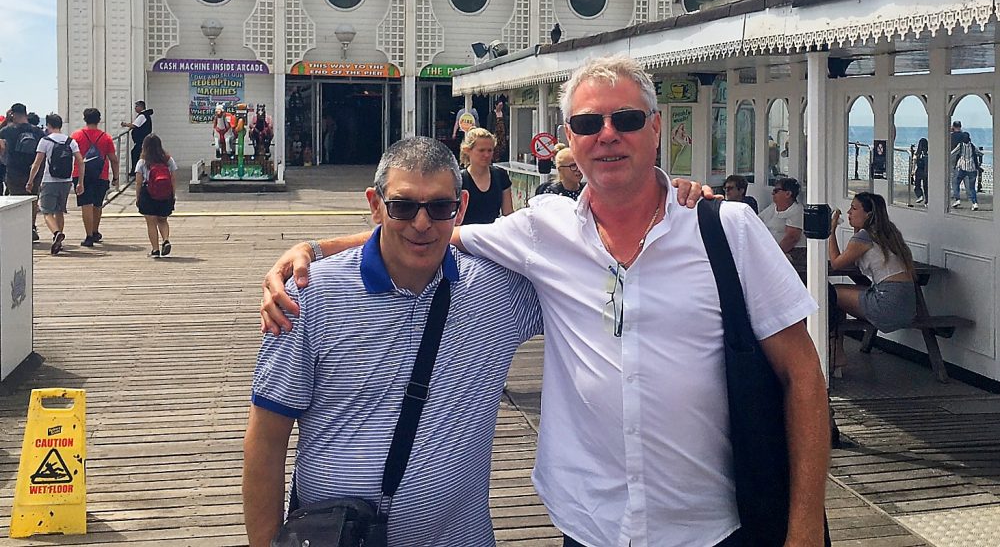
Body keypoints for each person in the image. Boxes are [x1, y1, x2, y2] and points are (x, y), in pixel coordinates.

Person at [262, 56, 829, 547]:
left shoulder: (726, 229)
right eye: (588, 122)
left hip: (712, 523)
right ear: (569, 137)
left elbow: (804, 377)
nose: (607, 134)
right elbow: (428, 230)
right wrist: (315, 248)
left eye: (626, 119)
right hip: (590, 523)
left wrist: (803, 530)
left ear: (655, 129)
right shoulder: (543, 231)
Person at [243, 137, 543, 547]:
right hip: (336, 536)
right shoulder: (309, 293)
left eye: (440, 207)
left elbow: (590, 263)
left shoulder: (497, 292)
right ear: (375, 204)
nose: (422, 223)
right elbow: (266, 436)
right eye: (402, 207)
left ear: (462, 209)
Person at [828, 192, 916, 370]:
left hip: (887, 303)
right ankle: (836, 352)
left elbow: (836, 263)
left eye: (854, 208)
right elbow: (854, 257)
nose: (848, 212)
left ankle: (836, 353)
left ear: (868, 214)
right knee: (838, 294)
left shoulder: (864, 237)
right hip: (908, 306)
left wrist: (831, 230)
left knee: (830, 293)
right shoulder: (888, 233)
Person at [26, 113, 83, 255]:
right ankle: (59, 241)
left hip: (49, 180)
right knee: (59, 211)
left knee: (46, 212)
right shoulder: (70, 141)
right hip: (66, 181)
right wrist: (80, 182)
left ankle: (56, 233)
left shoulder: (45, 140)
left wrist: (30, 181)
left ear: (48, 126)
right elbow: (80, 161)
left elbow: (37, 163)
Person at [72, 107, 119, 247]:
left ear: (84, 119)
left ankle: (88, 236)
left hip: (81, 174)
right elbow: (113, 159)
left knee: (86, 204)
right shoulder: (106, 137)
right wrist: (116, 177)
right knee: (98, 204)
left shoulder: (76, 136)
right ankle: (95, 231)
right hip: (101, 174)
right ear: (99, 120)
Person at [0, 103, 44, 238]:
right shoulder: (37, 131)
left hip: (14, 170)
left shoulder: (7, 130)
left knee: (16, 200)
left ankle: (18, 228)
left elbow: (1, 148)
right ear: (26, 113)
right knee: (33, 200)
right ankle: (31, 227)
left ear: (12, 113)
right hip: (33, 172)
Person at [134, 134, 177, 257]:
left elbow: (138, 182)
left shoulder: (142, 162)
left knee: (151, 223)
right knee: (163, 220)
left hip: (148, 194)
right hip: (165, 194)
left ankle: (155, 250)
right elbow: (173, 179)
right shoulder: (168, 160)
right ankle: (166, 240)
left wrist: (138, 197)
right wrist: (172, 195)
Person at [459, 127, 513, 224]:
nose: (486, 155)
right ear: (468, 150)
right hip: (466, 235)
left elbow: (508, 213)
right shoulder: (459, 179)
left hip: (492, 235)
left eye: (490, 150)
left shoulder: (501, 175)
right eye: (481, 150)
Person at [758, 175, 807, 271]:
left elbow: (792, 238)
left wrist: (773, 256)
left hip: (792, 254)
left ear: (788, 193)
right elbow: (757, 222)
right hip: (771, 251)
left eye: (776, 191)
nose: (772, 193)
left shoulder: (797, 210)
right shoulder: (772, 207)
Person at [121, 100, 154, 177]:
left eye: (136, 106)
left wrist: (125, 124)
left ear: (141, 107)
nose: (135, 108)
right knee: (137, 153)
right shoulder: (143, 115)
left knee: (135, 153)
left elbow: (134, 125)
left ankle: (135, 171)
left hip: (142, 140)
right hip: (142, 140)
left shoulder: (142, 116)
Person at [951, 130, 980, 210]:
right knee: (972, 187)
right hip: (972, 168)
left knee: (956, 183)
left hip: (962, 168)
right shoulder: (972, 146)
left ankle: (957, 199)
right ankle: (974, 203)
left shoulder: (960, 145)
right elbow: (979, 153)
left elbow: (953, 153)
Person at [912, 138, 928, 205]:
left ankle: (920, 195)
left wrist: (912, 171)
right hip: (926, 170)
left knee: (917, 185)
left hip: (919, 169)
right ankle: (927, 201)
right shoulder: (927, 152)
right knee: (926, 186)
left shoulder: (918, 153)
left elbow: (914, 161)